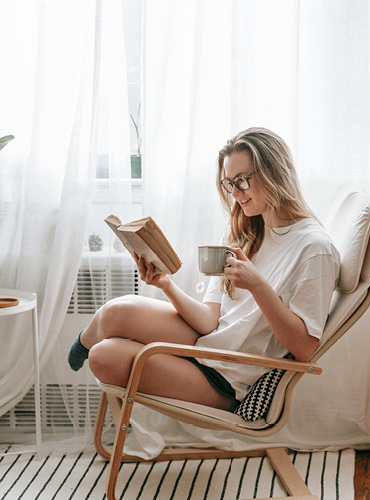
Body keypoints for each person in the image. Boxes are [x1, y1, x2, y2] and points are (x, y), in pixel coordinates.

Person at [68, 127, 340, 413]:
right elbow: (211, 319)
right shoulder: (247, 230)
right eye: (228, 183)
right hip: (208, 343)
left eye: (242, 180)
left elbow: (306, 349)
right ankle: (82, 343)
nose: (234, 193)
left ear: (275, 173)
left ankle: (89, 347)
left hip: (228, 378)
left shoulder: (314, 248)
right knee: (114, 313)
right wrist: (165, 284)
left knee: (103, 357)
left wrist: (258, 286)